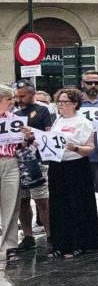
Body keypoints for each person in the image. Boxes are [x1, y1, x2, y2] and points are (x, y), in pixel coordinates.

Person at [39, 88, 98, 259]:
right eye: (59, 102)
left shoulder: (83, 122)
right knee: (58, 205)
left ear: (74, 104)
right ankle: (60, 243)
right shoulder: (57, 121)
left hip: (76, 165)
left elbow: (90, 149)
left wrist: (75, 147)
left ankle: (79, 243)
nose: (61, 105)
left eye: (65, 102)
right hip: (58, 165)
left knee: (77, 204)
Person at [12, 79, 53, 253]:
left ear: (32, 93)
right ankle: (28, 236)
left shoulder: (43, 110)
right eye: (17, 96)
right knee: (22, 201)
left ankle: (51, 234)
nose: (19, 99)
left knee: (42, 200)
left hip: (37, 161)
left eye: (23, 96)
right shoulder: (13, 112)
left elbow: (49, 135)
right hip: (18, 161)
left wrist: (32, 137)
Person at [0, 86, 30, 261]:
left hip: (11, 161)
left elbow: (23, 146)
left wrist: (26, 137)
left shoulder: (16, 119)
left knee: (11, 204)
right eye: (9, 99)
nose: (13, 102)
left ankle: (10, 246)